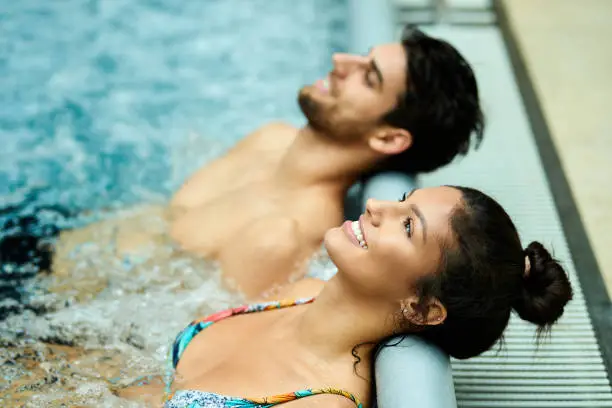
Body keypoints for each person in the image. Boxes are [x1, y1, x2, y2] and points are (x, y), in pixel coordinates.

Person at [48, 25, 484, 298]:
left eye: (368, 77)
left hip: (52, 305)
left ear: (388, 137)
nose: (340, 62)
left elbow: (175, 340)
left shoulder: (286, 236)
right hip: (49, 246)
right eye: (361, 56)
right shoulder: (269, 139)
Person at [119, 186, 573, 407]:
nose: (376, 205)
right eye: (402, 198)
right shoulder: (299, 293)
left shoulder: (320, 403)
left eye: (407, 225)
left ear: (421, 307)